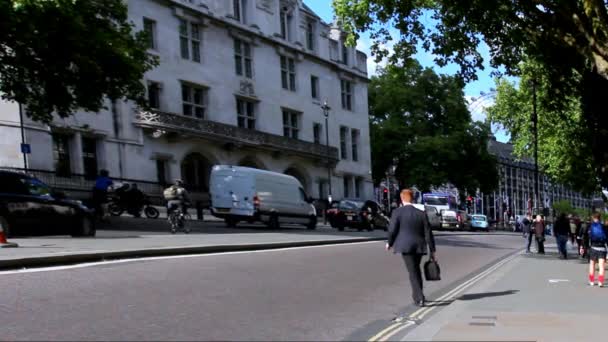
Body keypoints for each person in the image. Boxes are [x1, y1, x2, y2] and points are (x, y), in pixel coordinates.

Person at [386, 189, 437, 307]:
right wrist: (432, 250)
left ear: (401, 198)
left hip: (405, 246)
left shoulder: (397, 212)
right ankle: (418, 295)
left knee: (413, 271)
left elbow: (392, 229)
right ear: (412, 198)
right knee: (415, 270)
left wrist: (389, 242)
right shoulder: (421, 213)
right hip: (419, 246)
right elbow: (428, 233)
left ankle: (419, 297)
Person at [587, 213, 608, 287]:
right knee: (601, 266)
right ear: (600, 218)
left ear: (593, 218)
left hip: (593, 247)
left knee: (592, 264)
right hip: (602, 248)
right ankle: (600, 282)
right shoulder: (604, 226)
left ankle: (592, 281)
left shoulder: (590, 226)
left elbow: (588, 237)